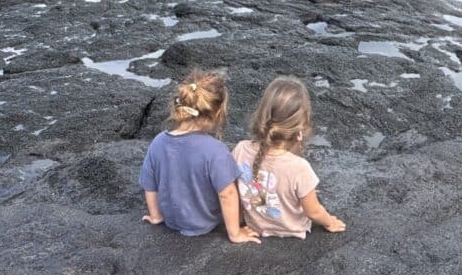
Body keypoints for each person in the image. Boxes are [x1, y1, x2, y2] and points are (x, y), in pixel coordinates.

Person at [139, 70, 260, 244]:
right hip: (208, 221)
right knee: (239, 178)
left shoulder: (158, 142)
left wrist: (156, 216)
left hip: (172, 221)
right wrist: (235, 233)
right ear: (217, 113)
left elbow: (149, 184)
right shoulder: (215, 150)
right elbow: (228, 195)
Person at [231, 77, 345, 238]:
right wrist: (329, 222)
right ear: (300, 129)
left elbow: (232, 191)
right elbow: (313, 211)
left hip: (254, 225)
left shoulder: (240, 149)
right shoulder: (300, 167)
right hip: (292, 229)